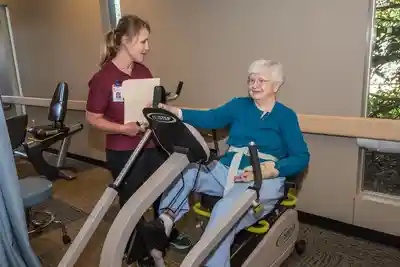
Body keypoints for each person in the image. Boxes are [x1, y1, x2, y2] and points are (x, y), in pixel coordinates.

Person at [140, 59, 310, 267]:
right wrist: (175, 112)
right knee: (188, 169)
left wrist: (272, 170)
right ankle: (166, 219)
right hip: (226, 170)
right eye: (251, 80)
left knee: (223, 215)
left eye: (261, 81)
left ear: (276, 86)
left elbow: (302, 157)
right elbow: (211, 118)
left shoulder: (285, 116)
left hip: (261, 179)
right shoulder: (239, 105)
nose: (254, 85)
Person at [85, 15, 191, 267]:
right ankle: (136, 250)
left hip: (152, 146)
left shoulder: (143, 71)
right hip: (123, 152)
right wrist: (123, 128)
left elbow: (150, 108)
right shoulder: (103, 78)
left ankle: (160, 238)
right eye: (143, 41)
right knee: (132, 205)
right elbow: (93, 118)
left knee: (162, 196)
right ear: (125, 41)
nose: (147, 47)